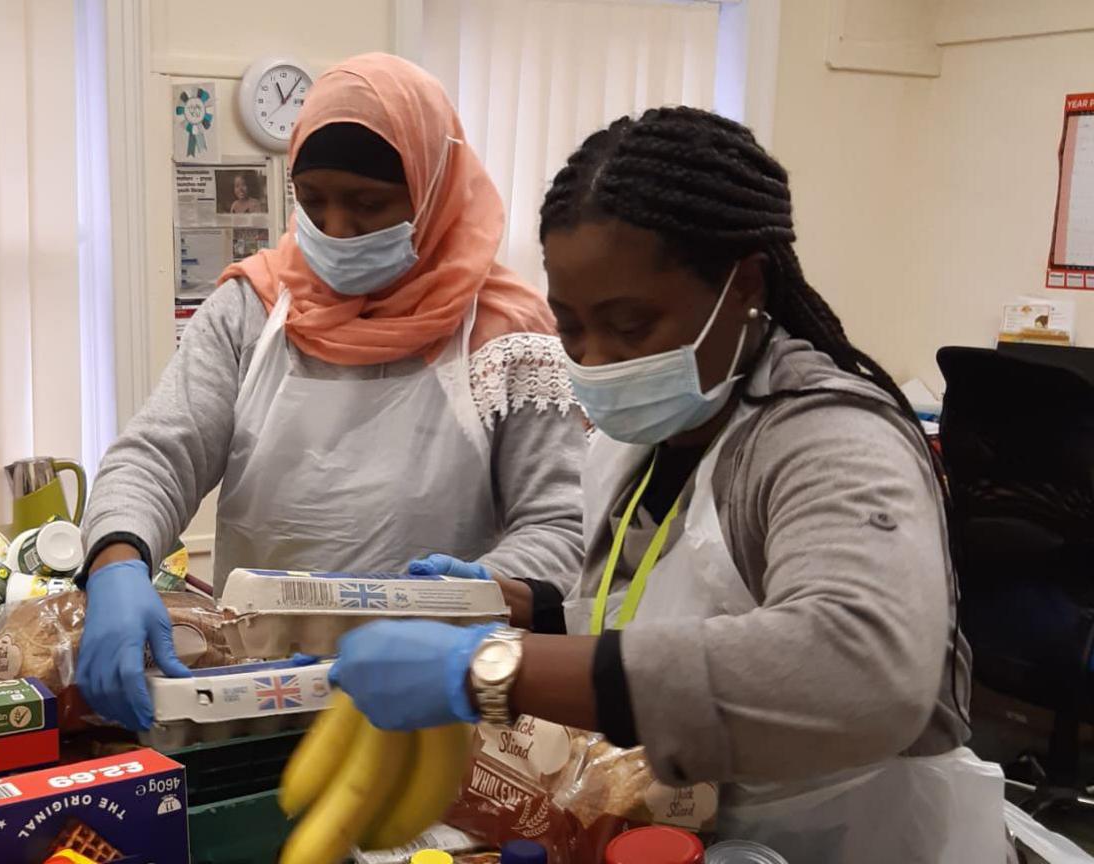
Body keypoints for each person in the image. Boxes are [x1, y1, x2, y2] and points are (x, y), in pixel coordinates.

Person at [329, 107, 1006, 862]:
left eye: (630, 323)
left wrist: (493, 669)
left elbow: (860, 668)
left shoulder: (831, 437)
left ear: (743, 283)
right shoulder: (656, 433)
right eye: (571, 326)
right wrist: (525, 608)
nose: (595, 359)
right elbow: (673, 604)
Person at [74, 53, 588, 732]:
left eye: (369, 205)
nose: (336, 231)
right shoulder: (251, 307)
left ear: (430, 190)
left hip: (439, 702)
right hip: (257, 693)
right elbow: (158, 454)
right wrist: (117, 560)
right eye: (313, 202)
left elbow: (561, 526)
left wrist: (470, 601)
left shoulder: (505, 335)